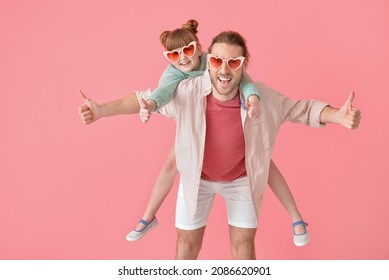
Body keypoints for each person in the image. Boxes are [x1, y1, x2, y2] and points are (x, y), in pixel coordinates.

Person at [79, 20, 317, 247]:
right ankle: (148, 216)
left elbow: (244, 78)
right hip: (194, 130)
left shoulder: (215, 61)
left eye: (188, 50)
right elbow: (157, 94)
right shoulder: (174, 76)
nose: (182, 58)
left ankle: (296, 217)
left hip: (233, 146)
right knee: (172, 163)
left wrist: (252, 98)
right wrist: (137, 106)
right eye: (174, 55)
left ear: (200, 49)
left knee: (263, 162)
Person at [136, 30, 361, 259]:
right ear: (208, 64)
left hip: (241, 179)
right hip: (197, 179)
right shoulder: (187, 92)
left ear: (244, 66)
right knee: (186, 246)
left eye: (233, 62)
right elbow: (141, 98)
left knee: (243, 246)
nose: (224, 70)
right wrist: (103, 110)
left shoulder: (262, 98)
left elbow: (301, 109)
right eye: (217, 61)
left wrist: (337, 116)